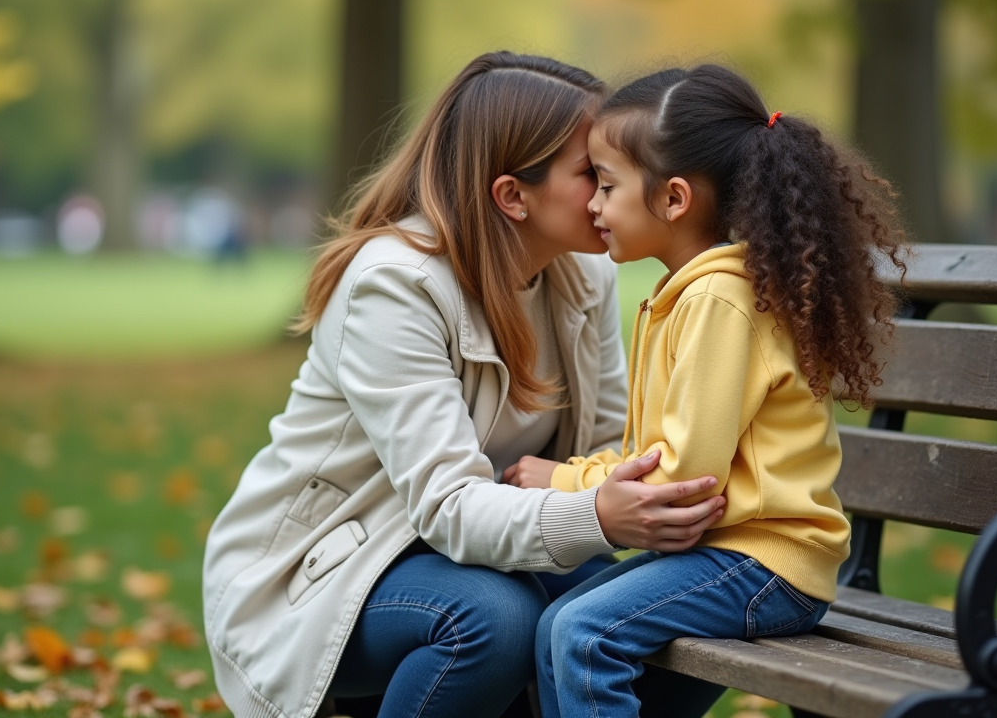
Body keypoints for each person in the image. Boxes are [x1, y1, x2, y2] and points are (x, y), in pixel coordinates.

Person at [201, 52, 729, 718]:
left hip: (500, 554)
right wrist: (595, 512)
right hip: (328, 575)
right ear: (512, 195)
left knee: (695, 603)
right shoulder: (392, 285)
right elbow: (448, 503)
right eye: (590, 173)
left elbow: (604, 442)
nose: (609, 193)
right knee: (494, 620)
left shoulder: (583, 273)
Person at [508, 64, 908, 718]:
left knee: (582, 632)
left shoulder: (720, 300)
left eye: (607, 186)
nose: (594, 205)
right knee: (560, 621)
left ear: (673, 199)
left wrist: (563, 481)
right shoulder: (692, 295)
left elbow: (682, 480)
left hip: (768, 566)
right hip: (731, 557)